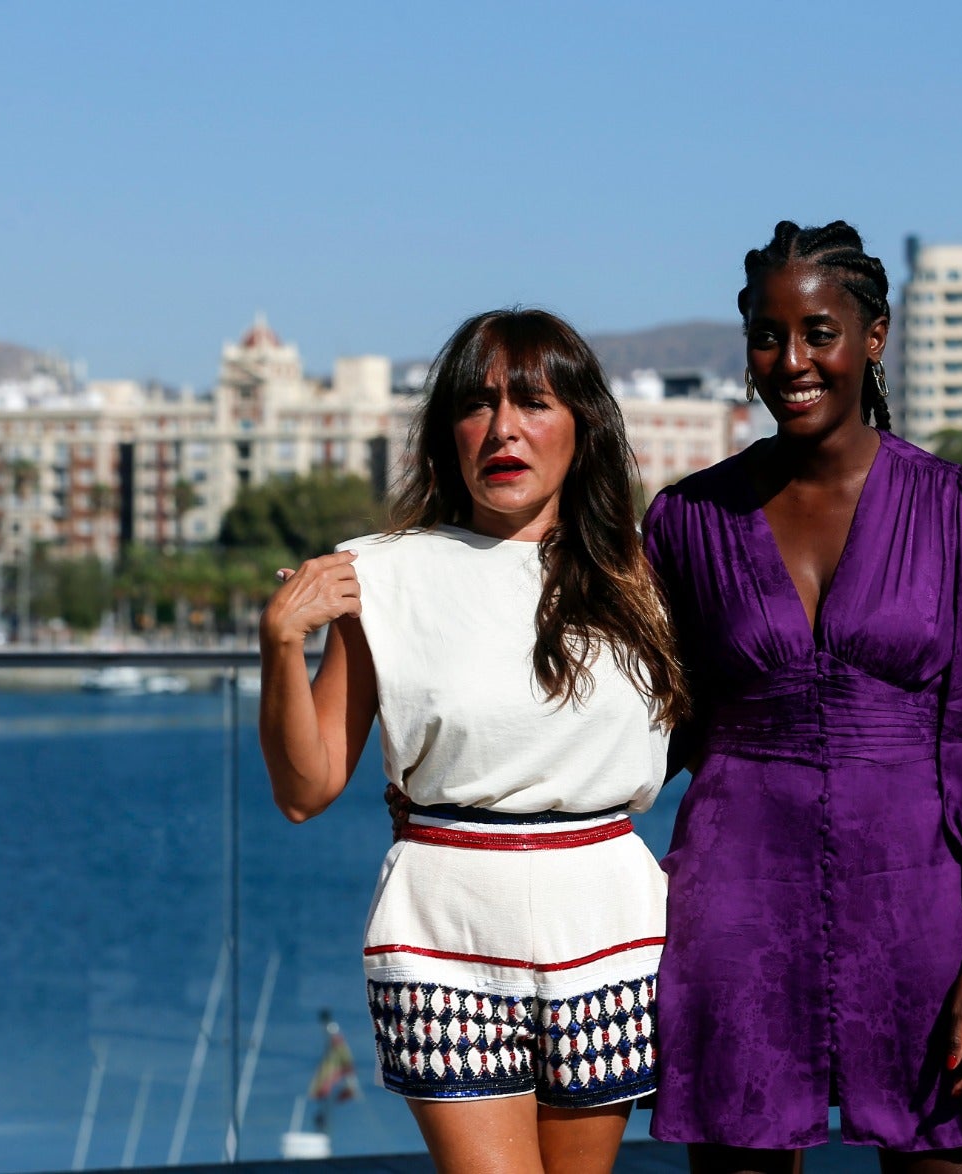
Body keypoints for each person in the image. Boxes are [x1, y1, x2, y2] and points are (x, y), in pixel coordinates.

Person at [641, 222, 962, 1174]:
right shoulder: (686, 520)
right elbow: (641, 724)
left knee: (943, 1152)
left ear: (874, 338)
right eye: (767, 336)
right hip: (734, 900)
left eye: (819, 332)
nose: (792, 362)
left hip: (924, 904)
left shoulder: (957, 508)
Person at [258, 309, 688, 1174]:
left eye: (533, 401)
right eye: (477, 404)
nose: (503, 429)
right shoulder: (381, 576)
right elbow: (305, 791)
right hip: (443, 920)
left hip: (606, 914)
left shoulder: (646, 576)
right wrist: (280, 645)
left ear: (584, 426)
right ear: (447, 432)